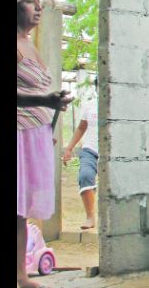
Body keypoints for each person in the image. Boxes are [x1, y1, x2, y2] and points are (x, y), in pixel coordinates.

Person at [17, 0, 56, 288]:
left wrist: (51, 113)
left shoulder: (30, 45)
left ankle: (20, 275)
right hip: (18, 132)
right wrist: (44, 101)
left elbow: (38, 90)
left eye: (39, 2)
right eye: (31, 2)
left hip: (36, 134)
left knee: (22, 211)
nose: (38, 7)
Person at [62, 78, 99, 230]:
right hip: (90, 149)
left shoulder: (120, 105)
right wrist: (69, 148)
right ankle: (90, 216)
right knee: (85, 176)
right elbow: (81, 127)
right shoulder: (90, 106)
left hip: (112, 152)